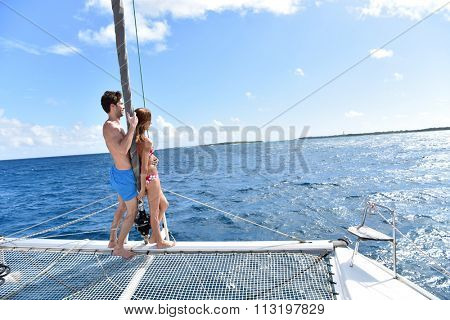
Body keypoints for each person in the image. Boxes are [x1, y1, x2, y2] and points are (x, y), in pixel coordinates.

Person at [101, 90, 139, 259]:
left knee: (122, 207)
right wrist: (133, 127)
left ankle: (112, 240)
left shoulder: (114, 126)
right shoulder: (110, 126)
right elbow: (123, 150)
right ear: (113, 106)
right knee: (132, 212)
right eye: (121, 104)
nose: (124, 107)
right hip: (124, 176)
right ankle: (119, 247)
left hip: (118, 172)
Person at [135, 108, 175, 248]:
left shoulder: (134, 141)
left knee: (164, 204)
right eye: (149, 121)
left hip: (147, 178)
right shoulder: (146, 141)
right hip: (151, 178)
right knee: (154, 211)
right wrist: (142, 188)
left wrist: (153, 158)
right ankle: (159, 241)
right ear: (145, 122)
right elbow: (145, 167)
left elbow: (141, 160)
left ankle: (153, 237)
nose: (150, 124)